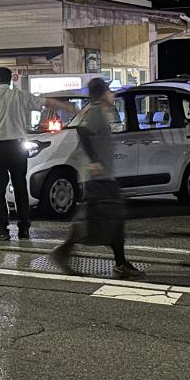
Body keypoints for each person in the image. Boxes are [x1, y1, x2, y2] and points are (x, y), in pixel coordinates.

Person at [0, 67, 70, 240]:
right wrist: (68, 106)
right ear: (10, 81)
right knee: (20, 187)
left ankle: (2, 229)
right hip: (17, 147)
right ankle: (24, 228)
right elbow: (46, 102)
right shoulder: (20, 96)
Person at [50, 78, 143, 279]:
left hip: (103, 176)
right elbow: (82, 132)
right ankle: (65, 252)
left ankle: (119, 262)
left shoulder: (100, 112)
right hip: (97, 178)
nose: (112, 95)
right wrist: (94, 161)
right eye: (110, 91)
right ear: (102, 94)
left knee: (111, 218)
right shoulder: (95, 113)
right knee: (100, 218)